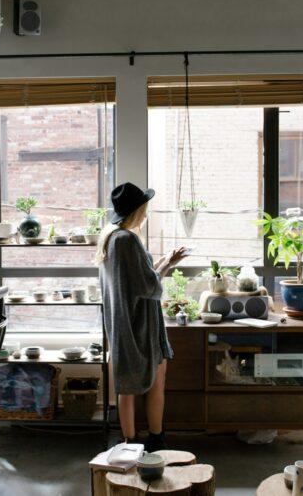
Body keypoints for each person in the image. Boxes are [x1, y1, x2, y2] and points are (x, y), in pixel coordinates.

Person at [96, 182, 187, 452]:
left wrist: (164, 261)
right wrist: (167, 266)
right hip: (140, 325)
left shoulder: (112, 238)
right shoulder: (128, 240)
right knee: (155, 380)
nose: (146, 213)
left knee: (126, 384)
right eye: (144, 208)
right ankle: (155, 439)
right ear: (137, 210)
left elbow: (138, 278)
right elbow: (148, 287)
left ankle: (130, 443)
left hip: (124, 324)